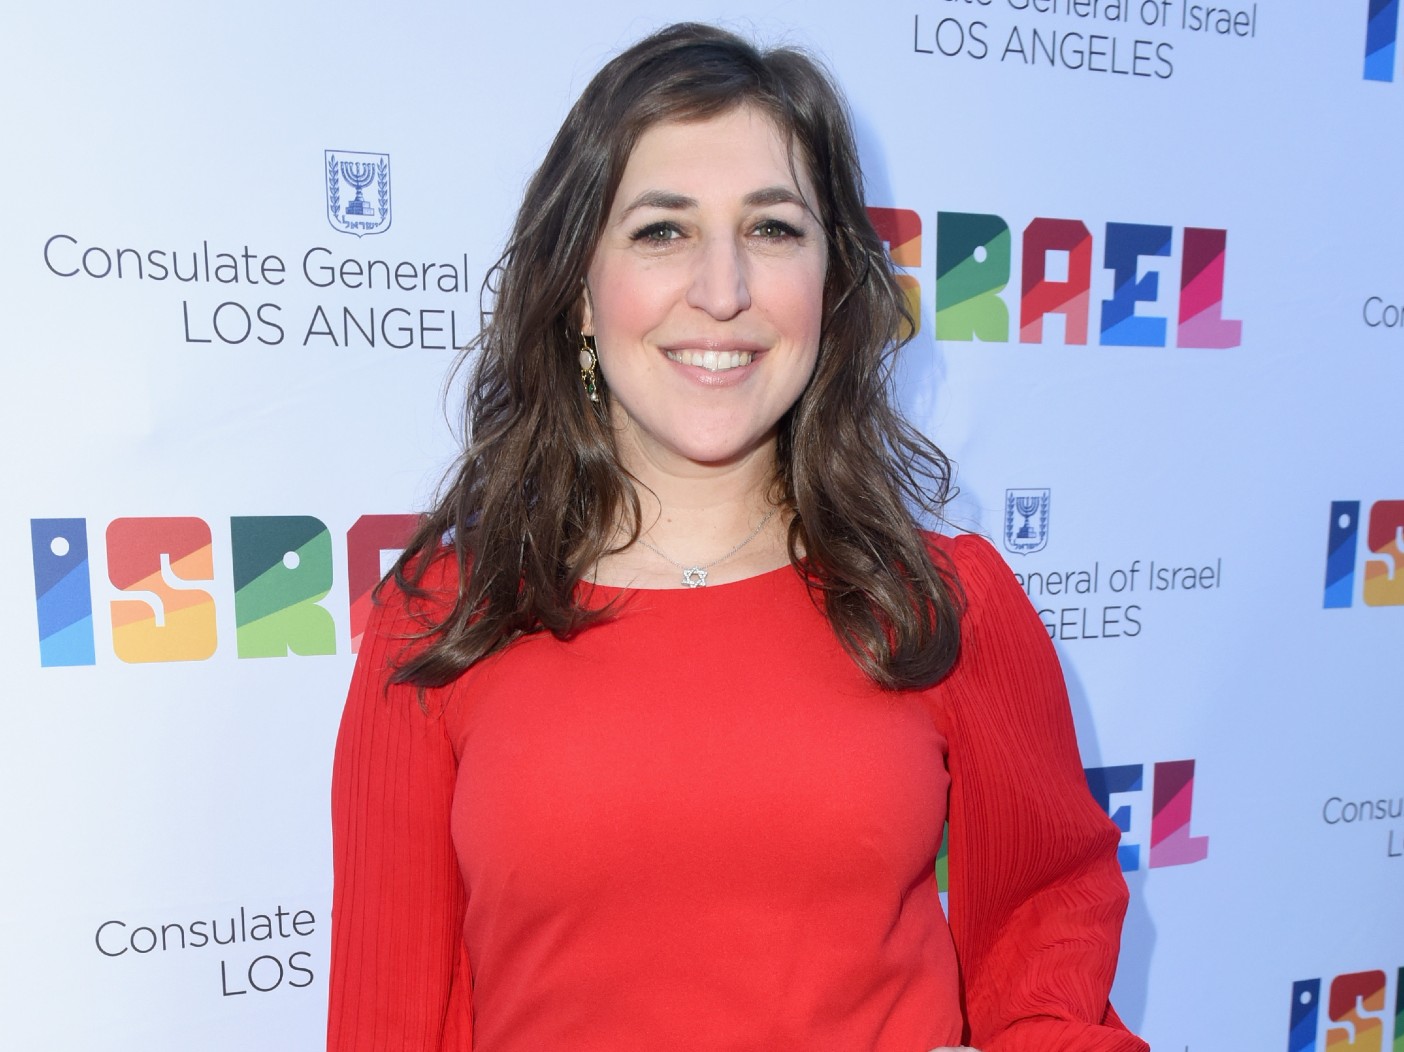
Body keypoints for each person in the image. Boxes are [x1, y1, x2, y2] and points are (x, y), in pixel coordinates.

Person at [328, 22, 1148, 1052]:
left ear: (832, 283)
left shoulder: (943, 601)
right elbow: (385, 1023)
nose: (723, 289)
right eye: (663, 231)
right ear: (580, 290)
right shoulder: (442, 621)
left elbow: (1047, 940)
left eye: (772, 229)